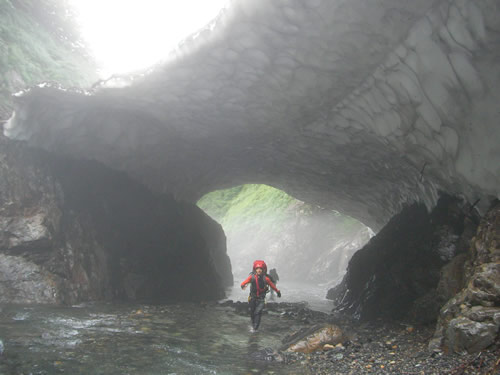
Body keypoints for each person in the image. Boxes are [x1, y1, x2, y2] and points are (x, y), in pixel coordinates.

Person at [241, 260, 281, 332]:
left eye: (260, 269)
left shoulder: (266, 278)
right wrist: (242, 285)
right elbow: (244, 282)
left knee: (258, 312)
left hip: (261, 299)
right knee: (252, 312)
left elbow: (272, 286)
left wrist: (278, 292)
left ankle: (255, 328)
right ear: (255, 270)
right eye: (257, 269)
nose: (259, 270)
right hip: (252, 298)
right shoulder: (251, 277)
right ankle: (254, 326)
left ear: (263, 270)